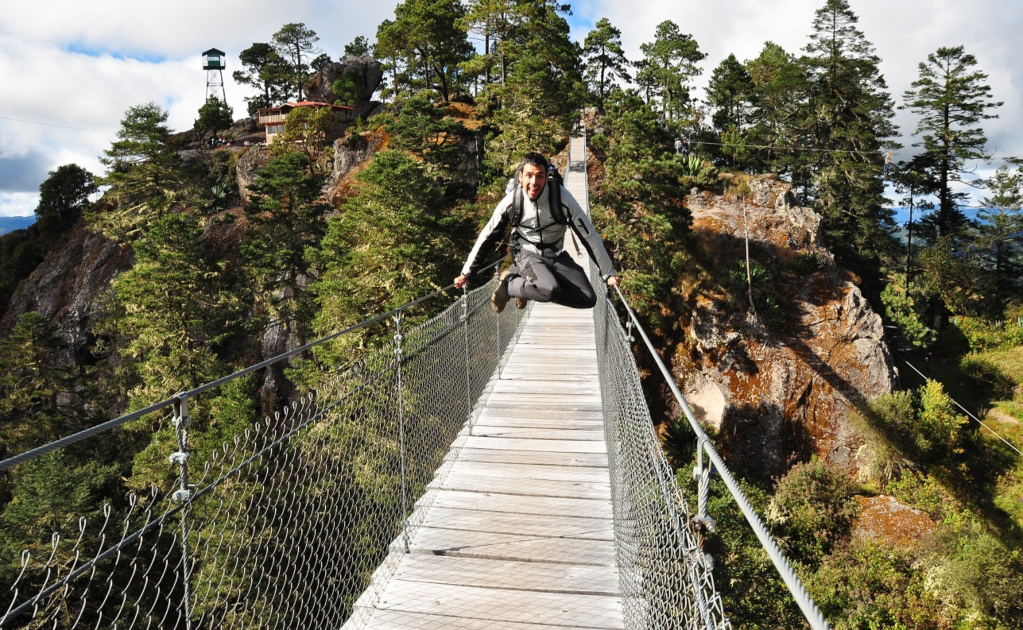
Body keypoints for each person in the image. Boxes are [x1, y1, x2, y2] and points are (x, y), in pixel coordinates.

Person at [454, 152, 619, 312]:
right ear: (520, 177)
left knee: (587, 298)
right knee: (549, 289)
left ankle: (526, 288)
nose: (534, 182)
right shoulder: (512, 202)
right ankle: (510, 285)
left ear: (547, 178)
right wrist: (467, 272)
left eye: (539, 176)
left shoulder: (562, 198)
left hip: (555, 255)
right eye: (529, 175)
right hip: (526, 253)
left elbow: (588, 234)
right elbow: (488, 236)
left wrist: (608, 274)